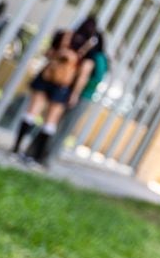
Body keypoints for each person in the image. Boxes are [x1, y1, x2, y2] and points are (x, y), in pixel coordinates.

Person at [13, 17, 101, 164]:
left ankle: (16, 148)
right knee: (50, 122)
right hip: (63, 86)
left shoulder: (63, 35)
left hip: (46, 77)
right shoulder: (89, 48)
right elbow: (83, 74)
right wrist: (74, 94)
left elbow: (47, 53)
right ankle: (35, 156)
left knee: (31, 113)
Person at [33, 17, 110, 167]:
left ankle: (40, 154)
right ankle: (43, 156)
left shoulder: (92, 58)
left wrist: (74, 92)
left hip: (76, 94)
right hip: (83, 96)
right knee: (59, 126)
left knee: (53, 123)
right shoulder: (102, 59)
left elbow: (83, 77)